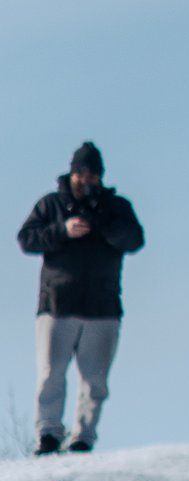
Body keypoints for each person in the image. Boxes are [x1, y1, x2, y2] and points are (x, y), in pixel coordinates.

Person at [17, 142, 142, 453]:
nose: (87, 180)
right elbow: (26, 238)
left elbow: (134, 239)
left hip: (103, 308)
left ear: (100, 177)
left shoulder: (116, 208)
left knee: (95, 381)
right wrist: (62, 230)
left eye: (93, 175)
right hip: (57, 305)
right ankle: (48, 433)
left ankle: (83, 437)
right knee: (50, 374)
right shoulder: (51, 205)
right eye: (81, 174)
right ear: (71, 173)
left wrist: (101, 224)